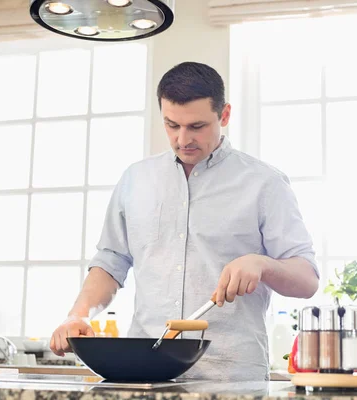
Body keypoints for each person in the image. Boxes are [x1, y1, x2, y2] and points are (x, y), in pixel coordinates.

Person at [50, 61, 319, 381]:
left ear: (225, 115)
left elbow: (307, 280)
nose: (182, 139)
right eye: (171, 125)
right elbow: (111, 261)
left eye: (197, 126)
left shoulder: (265, 183)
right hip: (144, 372)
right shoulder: (135, 179)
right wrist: (78, 315)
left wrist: (262, 264)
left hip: (231, 376)